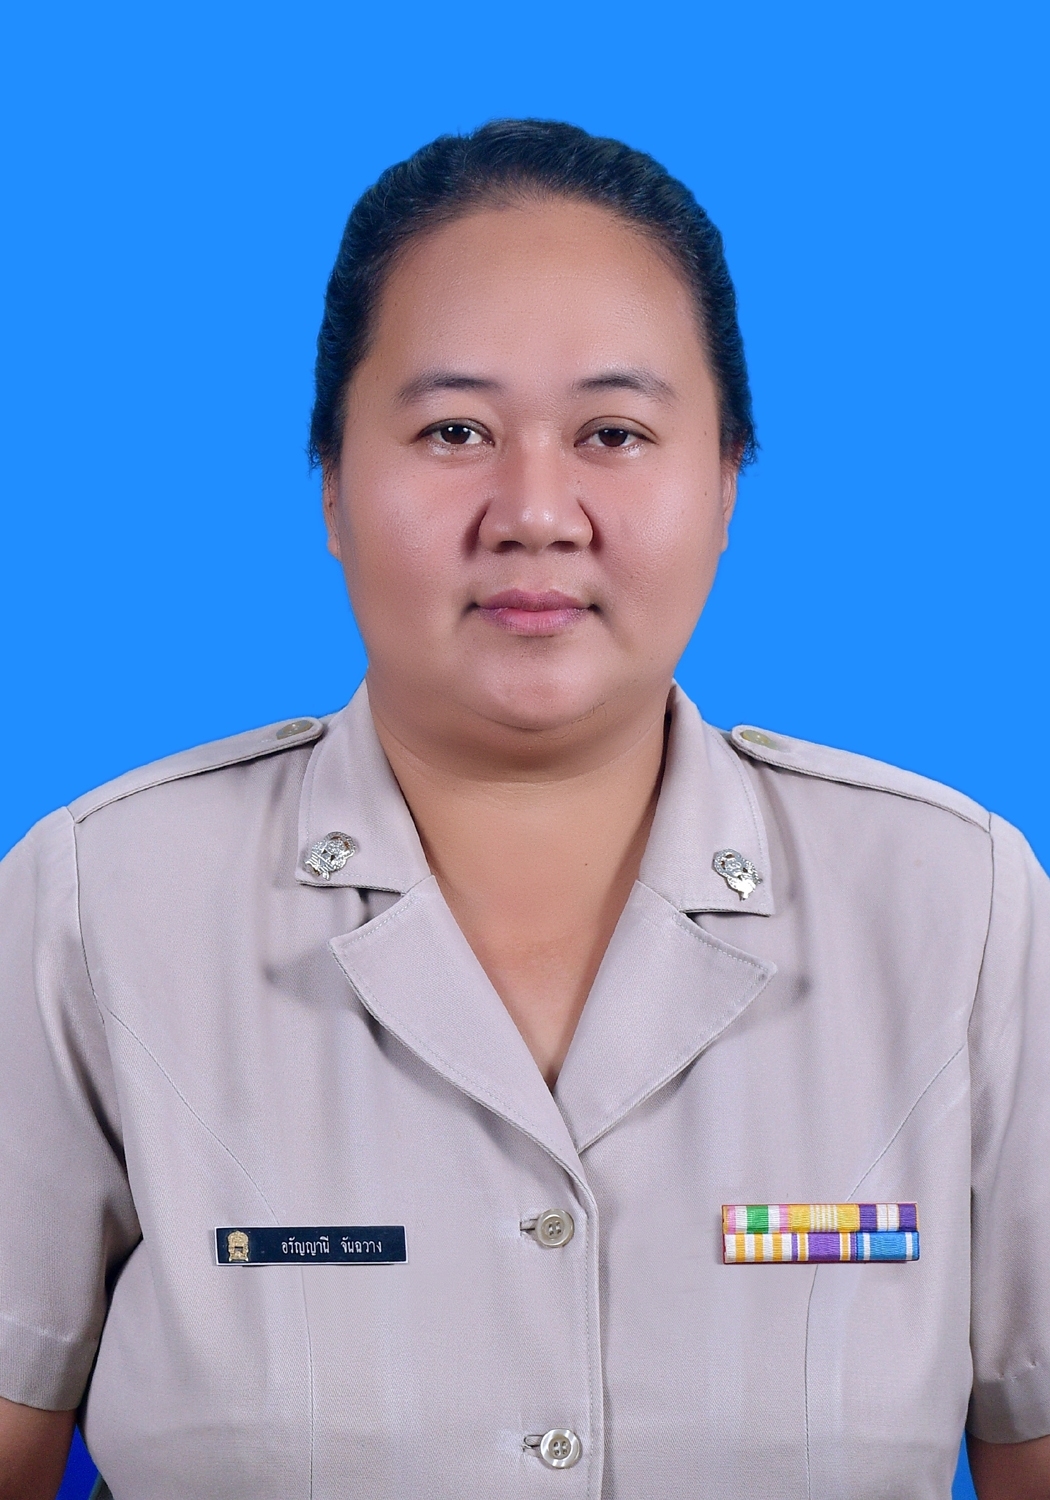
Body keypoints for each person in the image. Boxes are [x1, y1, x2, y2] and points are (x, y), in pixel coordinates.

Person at [0, 119, 1047, 1500]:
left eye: (614, 433)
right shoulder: (102, 902)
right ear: (331, 483)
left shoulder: (955, 907)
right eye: (454, 431)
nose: (535, 512)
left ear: (725, 480)